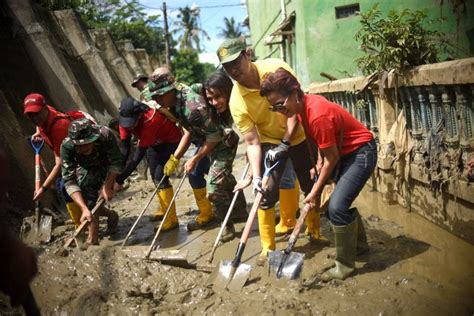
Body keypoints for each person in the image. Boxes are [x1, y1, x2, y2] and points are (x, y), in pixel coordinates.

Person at [260, 67, 376, 281]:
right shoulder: (302, 109)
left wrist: (314, 191)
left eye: (280, 104)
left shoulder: (317, 113)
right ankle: (358, 247)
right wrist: (318, 162)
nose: (279, 110)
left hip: (361, 153)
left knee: (336, 206)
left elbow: (332, 157)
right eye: (273, 108)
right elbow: (325, 145)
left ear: (294, 93)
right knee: (334, 207)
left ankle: (345, 266)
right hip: (344, 153)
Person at [216, 38, 321, 265]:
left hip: (300, 133)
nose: (233, 70)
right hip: (270, 141)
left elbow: (297, 108)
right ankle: (267, 248)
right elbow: (252, 141)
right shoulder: (237, 101)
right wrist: (255, 176)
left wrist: (287, 142)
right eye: (227, 67)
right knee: (264, 193)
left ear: (247, 55)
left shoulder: (276, 69)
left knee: (310, 184)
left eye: (235, 62)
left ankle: (313, 230)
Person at [146, 68, 227, 235]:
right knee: (196, 173)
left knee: (216, 182)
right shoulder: (174, 104)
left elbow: (215, 137)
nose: (157, 100)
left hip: (222, 139)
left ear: (170, 91)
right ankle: (207, 213)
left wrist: (195, 158)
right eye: (154, 97)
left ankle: (229, 220)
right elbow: (188, 131)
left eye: (159, 96)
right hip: (205, 137)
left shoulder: (192, 108)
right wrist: (175, 158)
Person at [22, 93, 94, 227]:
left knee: (66, 186)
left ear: (44, 109)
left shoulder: (59, 127)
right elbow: (37, 119)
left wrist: (43, 189)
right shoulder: (43, 114)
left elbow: (60, 164)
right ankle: (82, 219)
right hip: (70, 153)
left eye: (36, 113)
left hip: (83, 152)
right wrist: (38, 132)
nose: (34, 118)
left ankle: (83, 222)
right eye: (30, 115)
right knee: (64, 186)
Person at [115, 97, 182, 231]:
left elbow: (138, 156)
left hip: (170, 141)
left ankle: (172, 219)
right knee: (154, 175)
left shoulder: (150, 119)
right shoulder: (124, 121)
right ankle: (164, 209)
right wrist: (116, 173)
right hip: (153, 143)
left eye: (132, 123)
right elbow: (125, 148)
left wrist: (120, 180)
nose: (129, 126)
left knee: (160, 176)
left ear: (139, 115)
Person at [199, 71, 249, 240]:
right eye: (210, 99)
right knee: (223, 176)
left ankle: (226, 224)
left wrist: (251, 148)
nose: (214, 103)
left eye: (218, 97)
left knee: (213, 189)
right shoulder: (211, 110)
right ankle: (240, 211)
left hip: (236, 141)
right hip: (222, 142)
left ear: (228, 90)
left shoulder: (240, 103)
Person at [61, 118, 123, 245]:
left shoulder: (105, 135)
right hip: (86, 167)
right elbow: (68, 179)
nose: (83, 149)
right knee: (85, 195)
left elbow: (116, 162)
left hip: (106, 164)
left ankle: (92, 239)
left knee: (90, 191)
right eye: (79, 146)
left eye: (86, 144)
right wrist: (83, 208)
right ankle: (110, 216)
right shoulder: (67, 146)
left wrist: (108, 186)